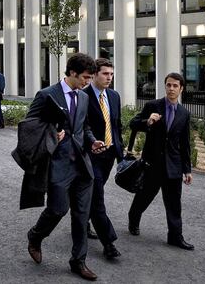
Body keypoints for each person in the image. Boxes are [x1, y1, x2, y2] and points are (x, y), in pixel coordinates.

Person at [25, 53, 106, 281]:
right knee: (58, 209)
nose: (88, 82)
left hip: (82, 165)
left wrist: (93, 141)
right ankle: (35, 236)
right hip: (58, 165)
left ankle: (78, 262)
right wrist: (52, 133)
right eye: (85, 78)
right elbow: (29, 126)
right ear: (72, 73)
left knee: (81, 216)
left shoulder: (83, 97)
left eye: (90, 78)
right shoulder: (46, 95)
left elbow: (84, 127)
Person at [127, 72, 194, 251]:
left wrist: (187, 170)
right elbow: (133, 123)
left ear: (181, 89)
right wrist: (148, 121)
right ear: (165, 86)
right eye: (168, 85)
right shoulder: (153, 105)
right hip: (152, 164)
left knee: (174, 203)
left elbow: (185, 143)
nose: (171, 89)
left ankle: (175, 236)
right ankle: (133, 219)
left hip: (173, 166)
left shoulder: (184, 113)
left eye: (175, 86)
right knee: (144, 197)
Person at [83, 58, 124, 260]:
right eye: (105, 74)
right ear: (94, 75)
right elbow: (82, 127)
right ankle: (108, 243)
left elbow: (117, 126)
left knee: (93, 194)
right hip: (90, 156)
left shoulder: (114, 96)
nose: (109, 77)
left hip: (109, 155)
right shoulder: (83, 96)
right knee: (97, 196)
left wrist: (121, 156)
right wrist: (91, 142)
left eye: (111, 73)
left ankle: (83, 220)